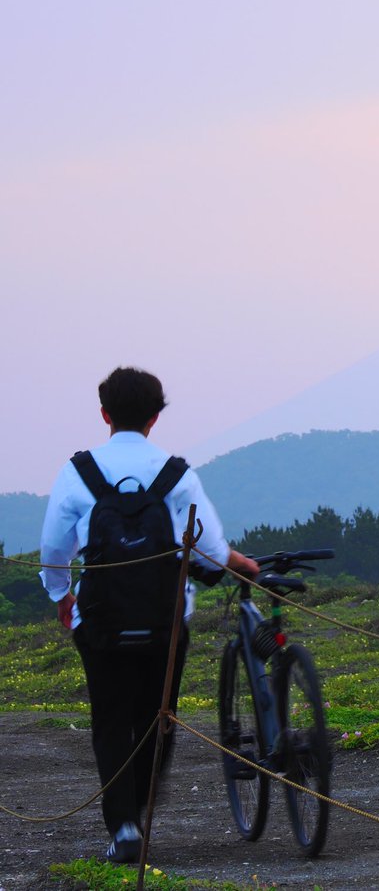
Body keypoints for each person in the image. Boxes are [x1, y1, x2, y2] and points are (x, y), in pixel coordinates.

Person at [40, 367, 259, 863]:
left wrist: (60, 594)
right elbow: (210, 552)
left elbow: (54, 547)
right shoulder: (176, 475)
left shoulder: (79, 472)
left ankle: (123, 829)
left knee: (110, 721)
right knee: (157, 717)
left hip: (99, 620)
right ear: (155, 418)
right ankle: (138, 810)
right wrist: (241, 564)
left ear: (105, 414)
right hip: (166, 622)